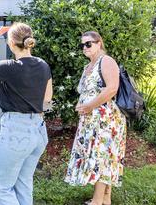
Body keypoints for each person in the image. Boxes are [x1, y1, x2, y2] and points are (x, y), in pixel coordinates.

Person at [0, 23, 53, 205]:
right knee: (23, 184)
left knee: (1, 187)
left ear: (11, 44)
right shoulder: (43, 65)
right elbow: (48, 98)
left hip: (16, 131)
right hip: (38, 131)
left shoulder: (10, 67)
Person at [64, 31, 126, 205]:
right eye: (82, 45)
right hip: (92, 120)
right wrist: (82, 105)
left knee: (102, 157)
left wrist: (90, 106)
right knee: (102, 156)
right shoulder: (88, 66)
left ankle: (97, 202)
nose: (85, 48)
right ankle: (106, 198)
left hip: (106, 119)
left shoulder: (106, 61)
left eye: (88, 44)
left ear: (99, 43)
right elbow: (88, 91)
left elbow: (112, 88)